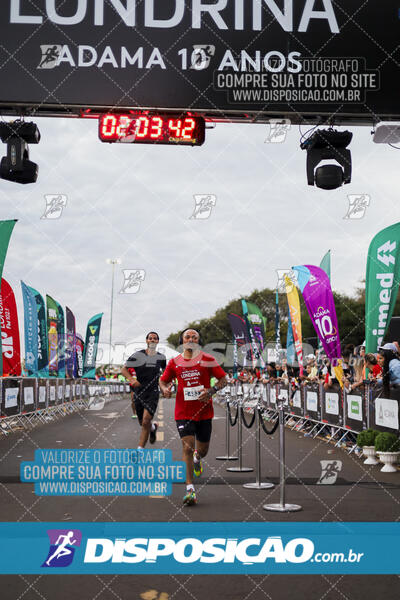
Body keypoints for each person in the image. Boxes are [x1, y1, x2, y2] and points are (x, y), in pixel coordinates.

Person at [159, 328, 227, 506]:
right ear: (182, 341)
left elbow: (223, 380)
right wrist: (165, 389)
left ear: (198, 341)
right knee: (187, 448)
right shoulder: (174, 362)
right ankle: (190, 489)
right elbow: (163, 380)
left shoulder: (208, 359)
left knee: (202, 450)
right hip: (183, 412)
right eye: (187, 336)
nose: (190, 339)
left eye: (194, 337)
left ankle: (198, 459)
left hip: (204, 412)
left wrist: (211, 390)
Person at [121, 332, 166, 449]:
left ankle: (139, 451)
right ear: (146, 341)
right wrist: (131, 379)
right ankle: (153, 428)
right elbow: (124, 369)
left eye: (155, 338)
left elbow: (166, 374)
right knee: (142, 423)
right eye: (150, 338)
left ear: (157, 341)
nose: (152, 340)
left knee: (146, 420)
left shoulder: (161, 357)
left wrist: (165, 386)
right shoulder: (138, 355)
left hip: (153, 392)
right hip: (139, 391)